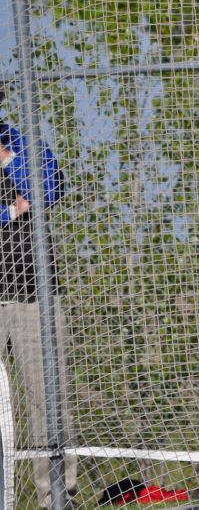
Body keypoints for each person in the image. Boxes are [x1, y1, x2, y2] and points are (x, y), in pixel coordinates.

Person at [0, 122, 77, 508]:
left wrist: (8, 159)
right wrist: (11, 210)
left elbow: (50, 189)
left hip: (34, 291)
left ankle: (57, 497)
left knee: (48, 397)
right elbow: (26, 203)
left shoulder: (19, 141)